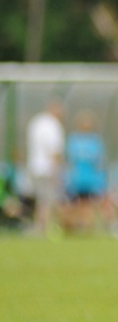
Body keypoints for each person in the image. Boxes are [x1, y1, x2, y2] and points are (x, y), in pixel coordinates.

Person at [63, 110, 118, 235]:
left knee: (88, 204)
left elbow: (99, 162)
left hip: (87, 179)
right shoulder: (78, 141)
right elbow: (71, 162)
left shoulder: (88, 141)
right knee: (80, 204)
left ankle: (89, 226)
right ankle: (79, 226)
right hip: (82, 180)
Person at [25, 99, 65, 238]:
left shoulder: (36, 122)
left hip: (34, 167)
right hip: (47, 169)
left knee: (41, 200)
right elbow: (54, 151)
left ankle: (39, 227)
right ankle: (44, 229)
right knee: (47, 200)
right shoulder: (53, 125)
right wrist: (57, 171)